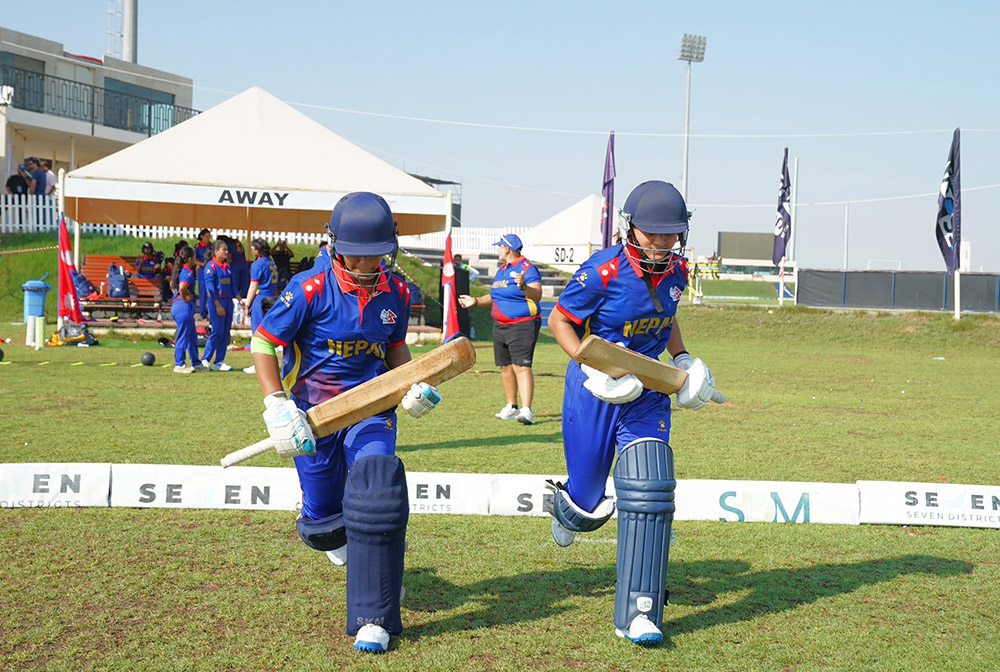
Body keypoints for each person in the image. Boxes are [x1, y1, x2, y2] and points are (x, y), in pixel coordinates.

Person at [249, 191, 442, 654]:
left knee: (378, 486)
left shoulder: (395, 290)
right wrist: (277, 403)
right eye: (358, 253)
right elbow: (262, 341)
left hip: (371, 408)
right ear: (334, 244)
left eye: (378, 254)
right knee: (324, 524)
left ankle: (373, 614)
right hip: (313, 418)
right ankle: (331, 530)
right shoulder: (309, 288)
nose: (368, 263)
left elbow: (395, 350)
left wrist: (410, 385)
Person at [545, 180, 724, 646]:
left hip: (646, 391)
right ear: (632, 228)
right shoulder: (602, 270)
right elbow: (559, 320)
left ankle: (639, 612)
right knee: (587, 504)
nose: (662, 243)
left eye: (670, 234)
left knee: (650, 484)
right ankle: (565, 508)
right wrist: (591, 369)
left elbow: (665, 318)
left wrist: (681, 359)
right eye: (653, 233)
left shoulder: (679, 270)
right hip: (595, 389)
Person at [458, 233, 542, 425]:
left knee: (522, 366)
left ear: (507, 249)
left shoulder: (527, 268)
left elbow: (537, 294)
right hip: (501, 326)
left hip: (522, 324)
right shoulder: (502, 270)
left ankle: (526, 410)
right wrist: (476, 301)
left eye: (499, 247)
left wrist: (524, 287)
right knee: (506, 367)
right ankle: (512, 406)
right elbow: (496, 296)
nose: (497, 250)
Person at [241, 237, 279, 374]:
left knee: (257, 334)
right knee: (269, 333)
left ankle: (258, 365)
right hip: (272, 298)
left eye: (253, 249)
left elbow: (253, 286)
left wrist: (247, 304)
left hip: (261, 298)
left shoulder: (258, 264)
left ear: (258, 250)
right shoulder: (271, 262)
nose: (252, 251)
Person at [201, 239, 236, 371]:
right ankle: (205, 359)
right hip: (217, 302)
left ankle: (219, 361)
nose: (227, 252)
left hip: (228, 301)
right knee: (217, 331)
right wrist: (218, 306)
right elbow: (210, 289)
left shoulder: (226, 266)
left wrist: (239, 298)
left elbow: (231, 284)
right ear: (216, 252)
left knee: (226, 333)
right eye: (224, 250)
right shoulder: (211, 267)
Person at [169, 247, 205, 373]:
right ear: (190, 259)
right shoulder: (187, 273)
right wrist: (184, 297)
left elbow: (173, 286)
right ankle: (179, 364)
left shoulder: (181, 271)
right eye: (194, 257)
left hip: (181, 307)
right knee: (183, 336)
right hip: (183, 307)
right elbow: (182, 286)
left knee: (191, 336)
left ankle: (196, 362)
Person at [193, 229, 213, 319]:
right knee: (202, 292)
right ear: (202, 236)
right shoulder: (197, 247)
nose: (208, 238)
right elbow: (194, 260)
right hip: (202, 270)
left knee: (211, 291)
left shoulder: (211, 246)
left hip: (211, 270)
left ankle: (211, 312)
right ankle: (203, 314)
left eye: (209, 236)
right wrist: (202, 264)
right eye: (206, 236)